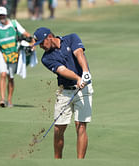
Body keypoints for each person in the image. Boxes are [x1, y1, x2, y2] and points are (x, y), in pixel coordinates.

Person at [33, 27, 94, 159]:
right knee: (58, 128)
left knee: (81, 126)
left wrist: (85, 73)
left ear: (49, 37)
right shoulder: (46, 59)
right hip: (64, 92)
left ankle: (80, 161)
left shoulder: (71, 38)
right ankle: (57, 160)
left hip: (84, 90)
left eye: (42, 43)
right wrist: (77, 78)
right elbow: (62, 70)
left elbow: (79, 54)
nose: (41, 47)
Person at [0, 6, 33, 107]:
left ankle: (9, 100)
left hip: (13, 53)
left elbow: (26, 33)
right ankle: (2, 99)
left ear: (6, 15)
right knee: (3, 74)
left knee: (10, 77)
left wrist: (32, 42)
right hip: (1, 53)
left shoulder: (14, 24)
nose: (1, 17)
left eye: (3, 15)